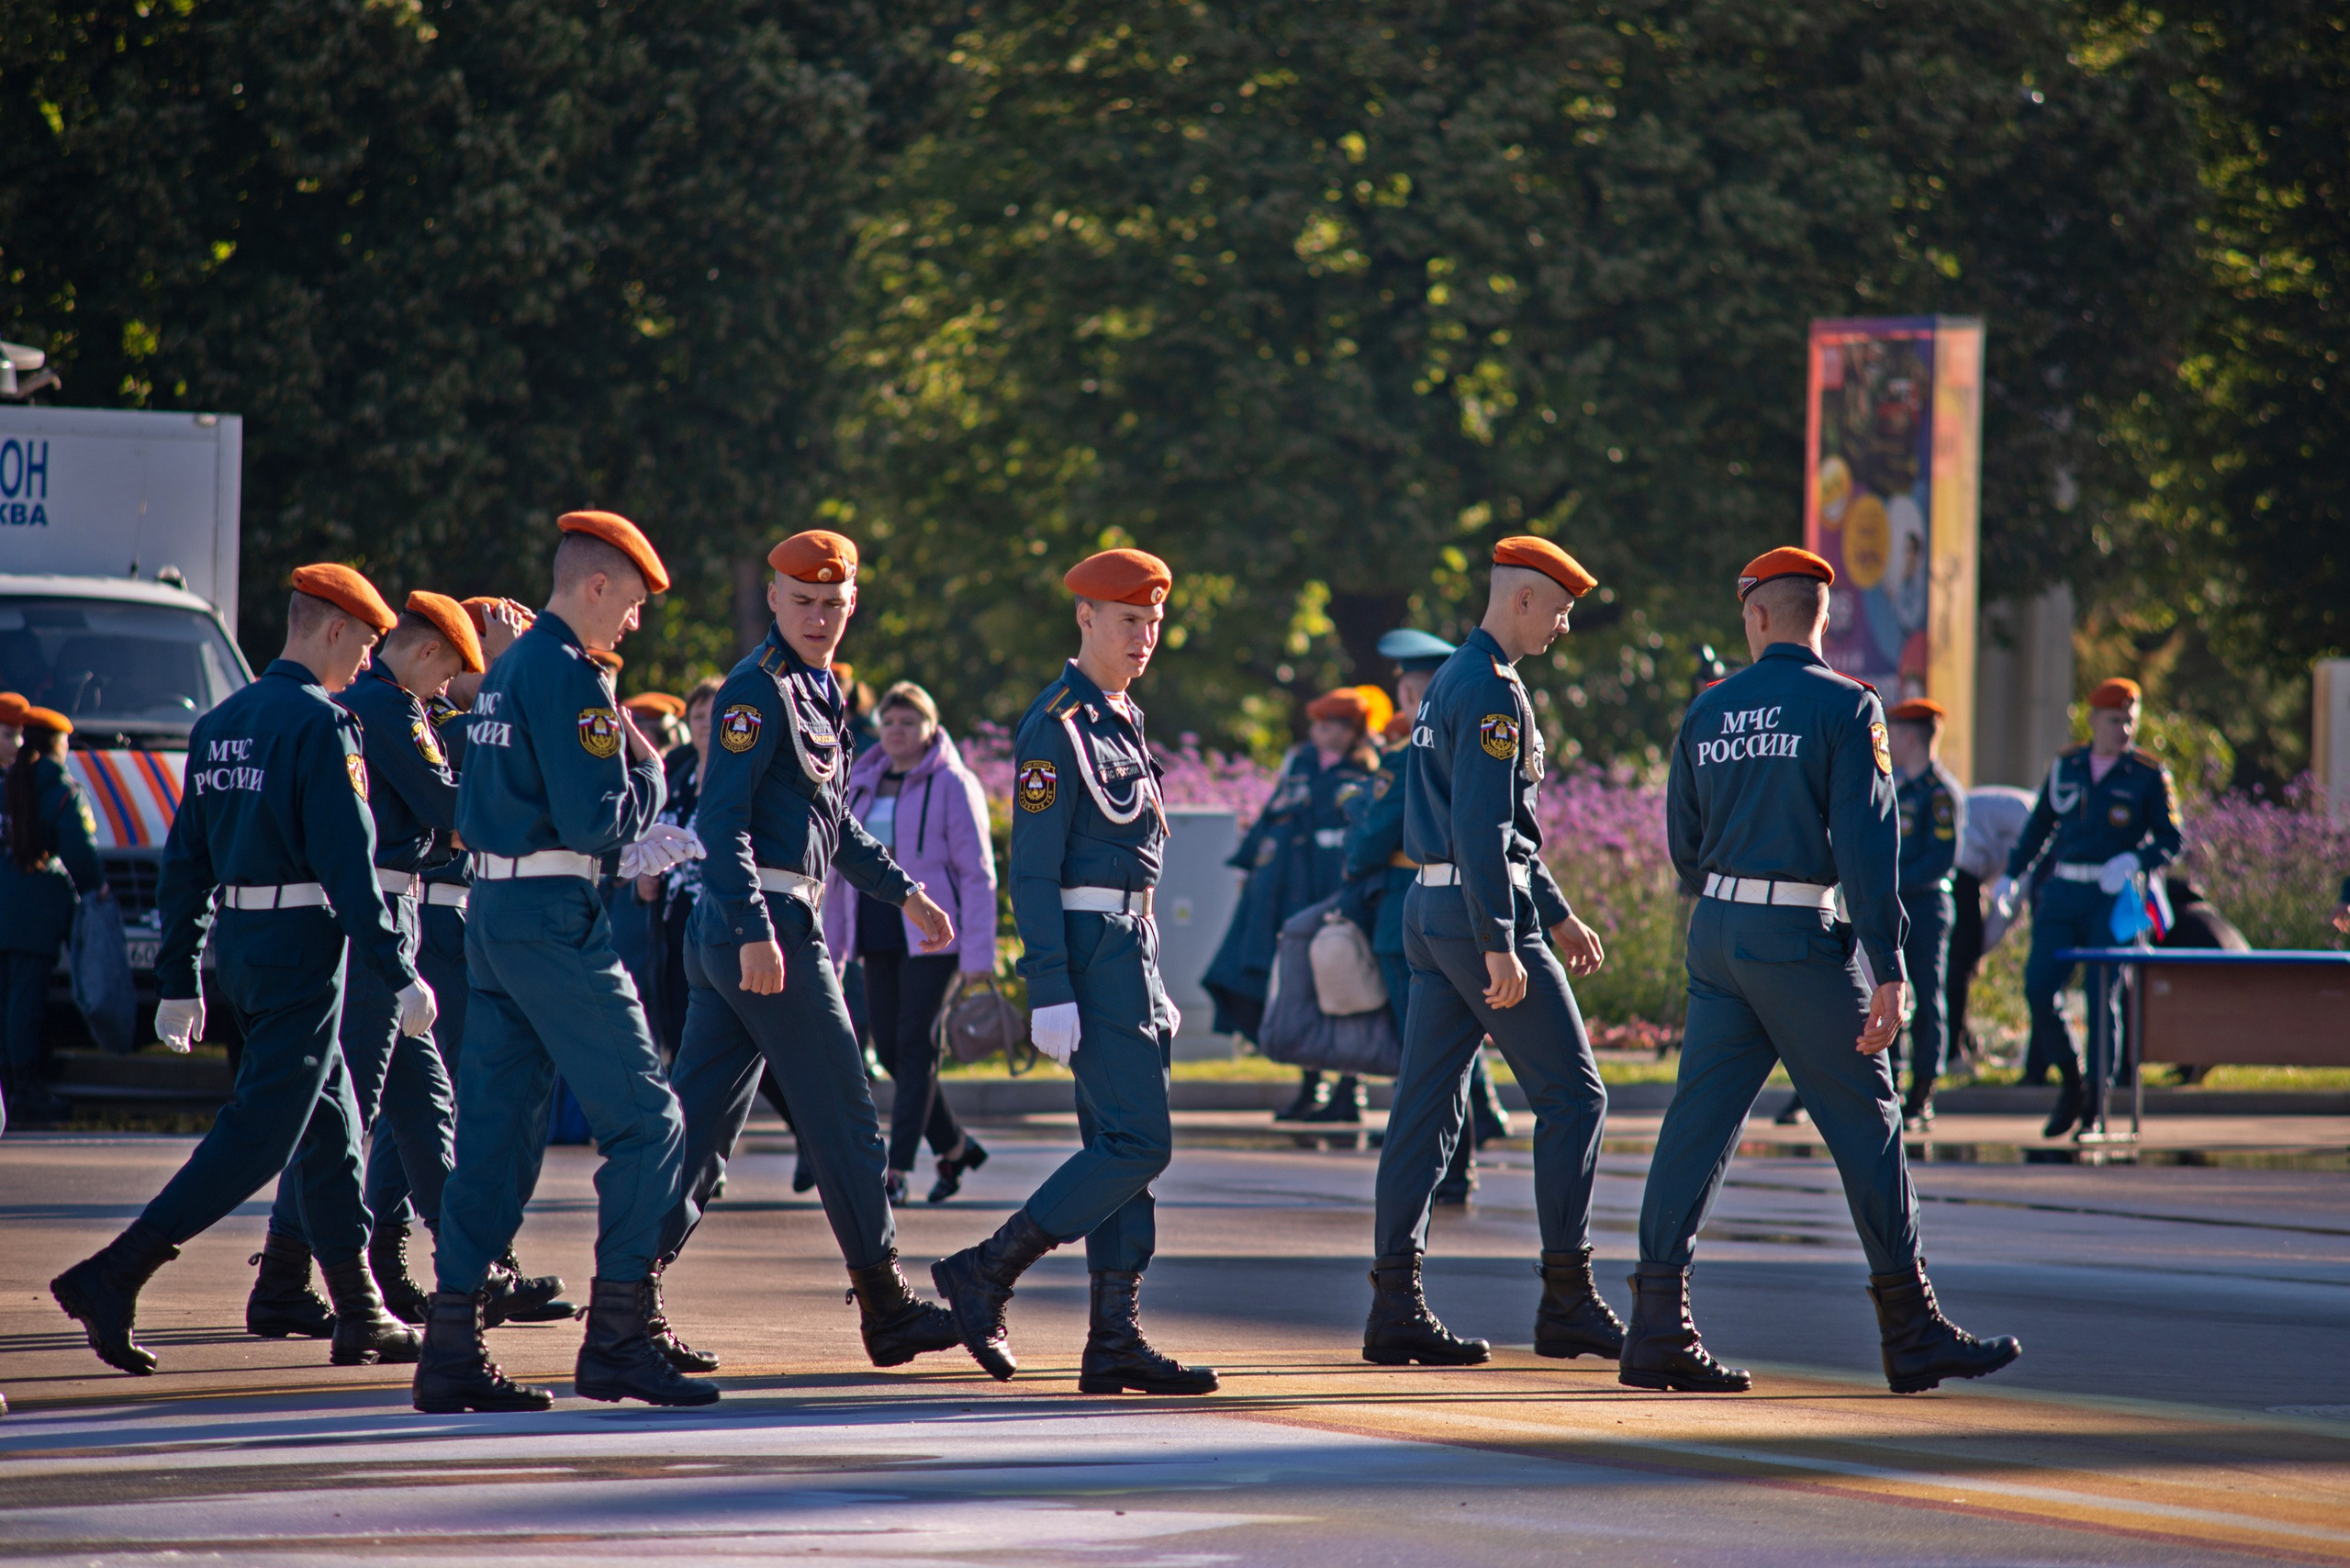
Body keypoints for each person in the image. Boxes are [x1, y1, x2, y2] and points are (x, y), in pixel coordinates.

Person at [1625, 546, 2018, 1395]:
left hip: (1718, 930)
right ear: (1824, 617)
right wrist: (1890, 965)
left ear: (1757, 615)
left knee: (1697, 1125)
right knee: (1868, 1121)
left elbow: (1683, 844)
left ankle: (1655, 1323)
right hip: (1799, 933)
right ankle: (1910, 1327)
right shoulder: (1847, 705)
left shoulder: (1709, 709)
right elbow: (1870, 845)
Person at [51, 564, 432, 1376]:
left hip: (245, 948)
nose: (368, 660)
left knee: (332, 1129)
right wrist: (397, 968)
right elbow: (350, 866)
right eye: (366, 643)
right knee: (262, 1135)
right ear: (334, 629)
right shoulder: (323, 725)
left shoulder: (221, 722)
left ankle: (359, 1307)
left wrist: (180, 973)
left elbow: (185, 858)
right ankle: (115, 1272)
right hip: (303, 947)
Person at [650, 530, 972, 1378]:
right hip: (764, 928)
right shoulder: (756, 689)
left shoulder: (817, 688)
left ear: (852, 604)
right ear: (774, 600)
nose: (820, 616)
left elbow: (835, 823)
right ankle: (887, 1307)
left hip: (752, 927)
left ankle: (624, 1305)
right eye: (803, 602)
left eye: (834, 603)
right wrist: (755, 927)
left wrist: (904, 891)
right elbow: (721, 820)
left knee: (698, 1135)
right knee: (846, 1114)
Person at [412, 510, 714, 1413]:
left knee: (496, 1135)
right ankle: (618, 1335)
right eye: (632, 601)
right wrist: (651, 785)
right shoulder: (571, 674)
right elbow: (596, 818)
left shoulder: (508, 671)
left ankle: (452, 1345)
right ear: (596, 585)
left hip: (495, 912)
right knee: (649, 1121)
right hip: (552, 916)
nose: (634, 620)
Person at [930, 547, 1218, 1395]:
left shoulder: (1120, 719)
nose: (1144, 637)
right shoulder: (1055, 726)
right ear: (1086, 618)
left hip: (1130, 949)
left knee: (1117, 1146)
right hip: (1091, 952)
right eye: (1128, 620)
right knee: (1140, 1142)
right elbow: (1033, 870)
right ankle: (987, 1268)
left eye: (1153, 622)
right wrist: (1049, 984)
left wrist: (1150, 971)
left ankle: (1113, 1337)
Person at [1361, 538, 1618, 1370]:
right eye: (1560, 610)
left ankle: (1394, 1306)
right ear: (1522, 600)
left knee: (1425, 1110)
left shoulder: (1451, 679)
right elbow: (1483, 826)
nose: (1564, 626)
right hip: (1476, 917)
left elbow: (1490, 825)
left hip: (1431, 909)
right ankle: (1567, 1299)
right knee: (1575, 1098)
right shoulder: (1493, 689)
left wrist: (1559, 912)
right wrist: (1502, 940)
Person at [363, 597, 570, 1327]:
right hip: (432, 919)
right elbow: (479, 796)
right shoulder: (441, 723)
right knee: (420, 1099)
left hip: (447, 915)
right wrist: (510, 674)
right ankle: (440, 1259)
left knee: (415, 1099)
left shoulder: (443, 720)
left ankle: (406, 1259)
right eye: (474, 660)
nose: (467, 675)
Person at [1337, 630, 1510, 1204]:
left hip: (1405, 913)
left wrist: (1355, 844)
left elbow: (1372, 839)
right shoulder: (1454, 744)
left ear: (1413, 693)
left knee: (1428, 1058)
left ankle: (1448, 1173)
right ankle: (1459, 1164)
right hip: (1459, 907)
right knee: (1450, 1049)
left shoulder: (1408, 754)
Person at [822, 680, 997, 1205]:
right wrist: (833, 945)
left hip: (934, 934)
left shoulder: (953, 783)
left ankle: (896, 1170)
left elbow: (977, 873)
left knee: (915, 1044)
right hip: (876, 929)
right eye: (890, 722)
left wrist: (978, 956)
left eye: (909, 722)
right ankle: (955, 1145)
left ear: (931, 727)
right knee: (892, 1049)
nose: (897, 731)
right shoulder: (862, 780)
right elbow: (840, 870)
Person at [1992, 678, 2182, 1137]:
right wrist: (2012, 873)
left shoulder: (2147, 774)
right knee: (2039, 987)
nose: (2123, 730)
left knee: (2103, 1000)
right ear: (2094, 720)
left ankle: (2096, 1106)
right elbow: (2041, 824)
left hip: (2112, 898)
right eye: (2114, 720)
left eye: (2129, 721)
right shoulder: (2068, 765)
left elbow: (2172, 839)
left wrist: (2136, 859)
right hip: (2063, 893)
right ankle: (2072, 1081)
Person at [1207, 687, 1382, 1121]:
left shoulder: (1367, 770)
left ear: (1353, 731)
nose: (1320, 731)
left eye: (1331, 724)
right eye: (1318, 723)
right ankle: (1311, 1085)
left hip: (1337, 894)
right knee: (1297, 991)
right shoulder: (1300, 765)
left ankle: (1350, 1090)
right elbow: (1271, 822)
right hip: (1288, 895)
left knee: (1344, 987)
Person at [1, 705, 106, 1126]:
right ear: (56, 745)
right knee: (25, 1005)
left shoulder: (10, 782)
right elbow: (80, 850)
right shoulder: (60, 788)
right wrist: (95, 888)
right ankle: (24, 1090)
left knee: (7, 1002)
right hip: (35, 913)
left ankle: (9, 1089)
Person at [1885, 699, 1966, 1129]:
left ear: (1910, 737)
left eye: (1894, 733)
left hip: (1927, 904)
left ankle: (1924, 1090)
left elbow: (1942, 859)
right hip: (1898, 904)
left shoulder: (1939, 793)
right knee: (1890, 989)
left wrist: (1893, 881)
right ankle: (1893, 1081)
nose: (1889, 742)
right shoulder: (1901, 789)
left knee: (1927, 994)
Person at [1949, 783, 2035, 1072]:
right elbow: (2012, 905)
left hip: (1952, 862)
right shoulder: (2036, 821)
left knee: (1956, 963)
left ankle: (1961, 1044)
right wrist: (1978, 951)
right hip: (1960, 866)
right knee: (1959, 963)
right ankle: (1952, 1053)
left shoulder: (2021, 806)